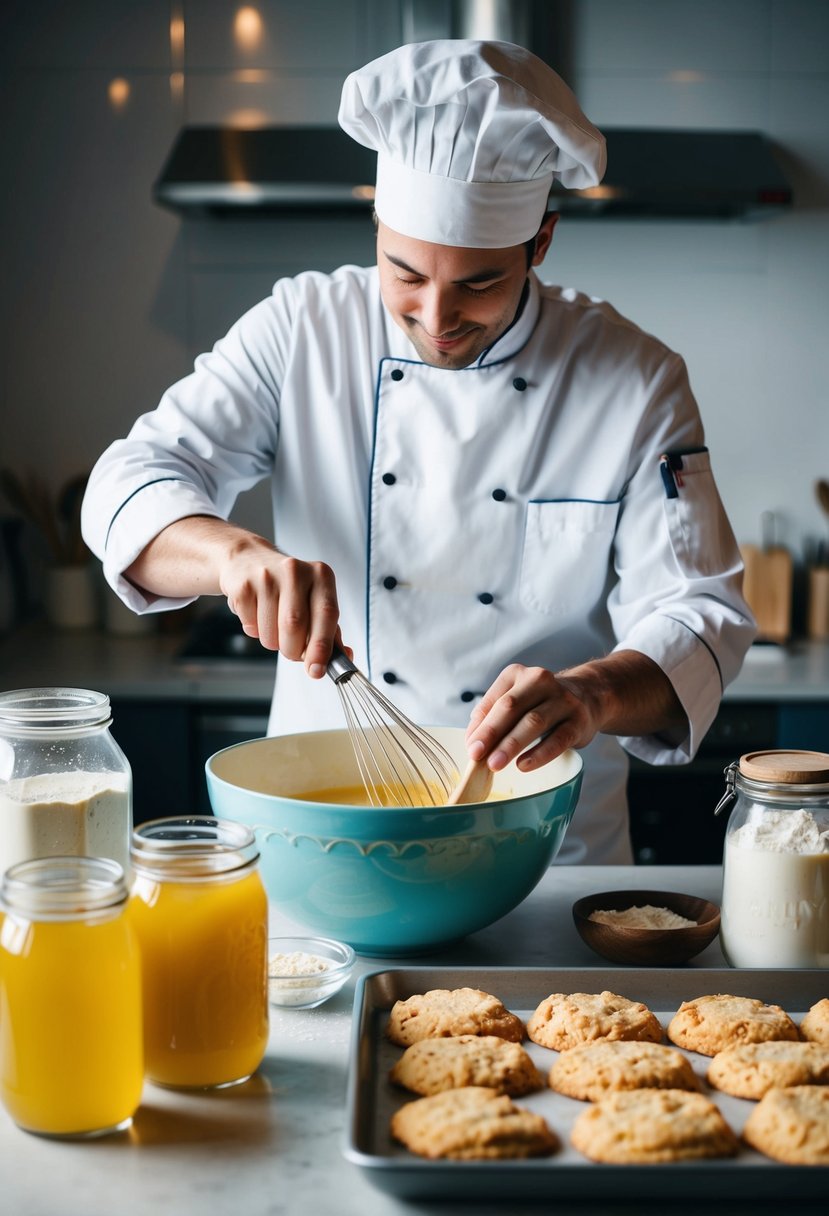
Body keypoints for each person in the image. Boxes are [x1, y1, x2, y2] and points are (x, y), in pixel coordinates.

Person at [81, 39, 756, 863]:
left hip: (543, 856)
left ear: (538, 243)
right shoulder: (302, 330)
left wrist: (590, 692)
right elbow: (129, 481)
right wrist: (228, 555)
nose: (436, 316)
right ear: (375, 223)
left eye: (477, 283)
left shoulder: (631, 378)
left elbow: (701, 614)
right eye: (403, 273)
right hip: (323, 845)